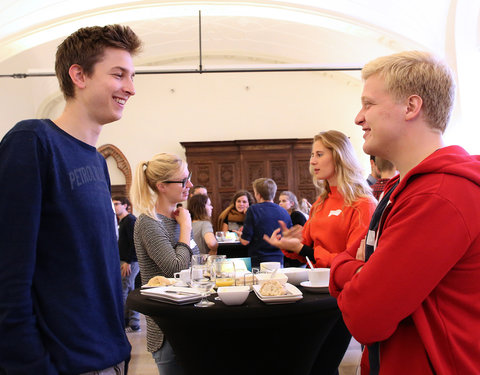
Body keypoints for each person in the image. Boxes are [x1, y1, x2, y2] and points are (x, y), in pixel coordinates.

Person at [0, 25, 141, 374]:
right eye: (119, 74)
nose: (131, 88)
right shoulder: (33, 141)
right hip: (63, 363)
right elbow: (8, 274)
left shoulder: (95, 160)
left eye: (133, 76)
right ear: (78, 74)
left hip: (108, 355)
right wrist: (31, 364)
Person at [329, 51, 480, 375]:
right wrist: (360, 272)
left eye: (368, 104)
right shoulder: (406, 188)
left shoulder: (440, 196)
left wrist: (343, 267)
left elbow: (365, 317)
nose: (358, 117)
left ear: (411, 107)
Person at [265, 130, 376, 269]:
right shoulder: (319, 204)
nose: (312, 161)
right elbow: (305, 250)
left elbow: (352, 262)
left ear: (339, 157)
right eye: (312, 155)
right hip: (317, 282)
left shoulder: (363, 204)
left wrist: (301, 249)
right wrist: (290, 243)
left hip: (345, 285)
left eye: (319, 154)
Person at [131, 152, 199, 375]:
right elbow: (177, 268)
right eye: (183, 180)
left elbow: (195, 263)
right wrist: (187, 228)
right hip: (167, 328)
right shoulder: (149, 223)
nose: (190, 184)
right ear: (161, 186)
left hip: (190, 321)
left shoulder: (178, 218)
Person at [240, 178, 292, 267]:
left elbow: (245, 241)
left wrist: (240, 236)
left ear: (258, 195)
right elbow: (289, 239)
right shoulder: (284, 212)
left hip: (258, 261)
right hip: (279, 261)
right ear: (274, 193)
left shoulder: (253, 210)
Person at [113, 195, 140, 333]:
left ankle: (123, 322)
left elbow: (134, 243)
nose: (115, 206)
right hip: (124, 260)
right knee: (128, 290)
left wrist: (128, 262)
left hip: (130, 261)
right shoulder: (122, 221)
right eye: (113, 204)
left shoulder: (130, 220)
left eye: (117, 203)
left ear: (125, 205)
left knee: (124, 290)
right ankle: (132, 322)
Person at [278, 190, 307, 268]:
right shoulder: (283, 216)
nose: (280, 203)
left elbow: (302, 235)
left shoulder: (297, 215)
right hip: (287, 254)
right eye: (280, 201)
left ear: (292, 203)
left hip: (298, 255)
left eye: (284, 201)